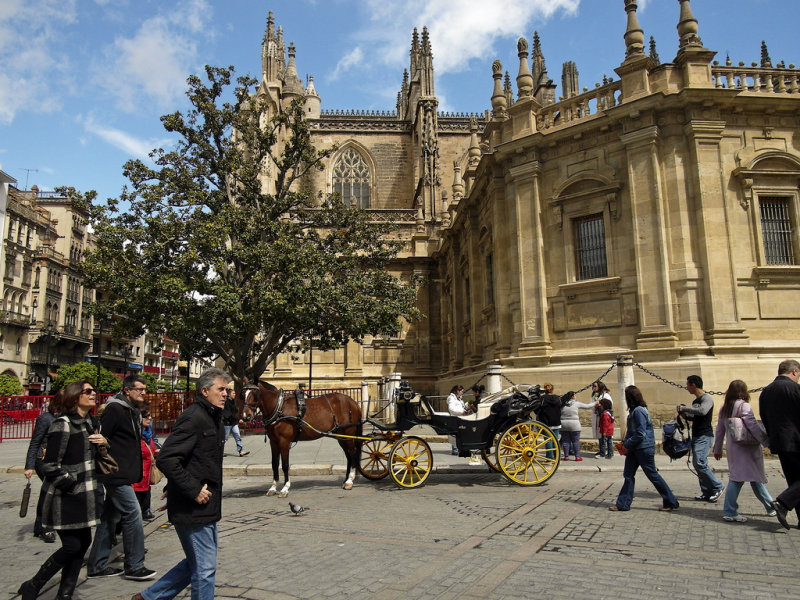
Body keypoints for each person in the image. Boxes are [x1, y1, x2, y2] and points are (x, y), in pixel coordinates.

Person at [132, 368, 230, 600]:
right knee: (204, 569)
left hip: (205, 504)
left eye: (227, 390)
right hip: (193, 505)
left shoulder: (214, 416)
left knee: (195, 564)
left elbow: (191, 460)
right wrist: (191, 489)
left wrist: (175, 487)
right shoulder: (193, 417)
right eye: (221, 389)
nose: (226, 394)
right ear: (205, 391)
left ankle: (147, 597)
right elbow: (166, 458)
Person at [17, 381, 107, 600]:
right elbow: (49, 465)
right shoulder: (62, 424)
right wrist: (71, 484)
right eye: (88, 391)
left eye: (93, 391)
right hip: (66, 496)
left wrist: (104, 442)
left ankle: (65, 593)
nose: (94, 394)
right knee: (71, 545)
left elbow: (94, 457)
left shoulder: (92, 423)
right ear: (75, 397)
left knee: (83, 543)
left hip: (87, 494)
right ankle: (34, 584)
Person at [87, 375, 156, 581]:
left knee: (110, 517)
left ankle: (97, 565)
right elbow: (102, 438)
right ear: (127, 390)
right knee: (133, 513)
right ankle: (134, 565)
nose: (144, 392)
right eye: (140, 389)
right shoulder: (115, 409)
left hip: (125, 471)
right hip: (115, 473)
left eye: (145, 389)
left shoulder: (131, 409)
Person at [712, 380, 774, 523]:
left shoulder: (725, 408)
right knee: (739, 479)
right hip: (747, 448)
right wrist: (766, 442)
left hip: (734, 448)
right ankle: (730, 510)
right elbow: (753, 426)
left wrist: (717, 448)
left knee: (753, 477)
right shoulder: (744, 406)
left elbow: (719, 430)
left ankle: (771, 506)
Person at [610, 385, 679, 512]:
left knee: (652, 475)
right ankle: (623, 503)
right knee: (628, 475)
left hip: (643, 448)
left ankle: (670, 501)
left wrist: (628, 443)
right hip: (634, 449)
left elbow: (641, 433)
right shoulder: (635, 411)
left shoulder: (639, 411)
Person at [758, 359, 800, 529]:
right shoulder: (794, 388)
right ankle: (782, 503)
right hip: (796, 440)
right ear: (794, 372)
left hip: (779, 441)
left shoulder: (766, 391)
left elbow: (764, 418)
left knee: (794, 480)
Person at [24, 390, 65, 544]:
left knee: (48, 492)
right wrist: (29, 466)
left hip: (56, 461)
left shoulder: (64, 418)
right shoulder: (45, 418)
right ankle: (45, 527)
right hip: (43, 461)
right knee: (51, 492)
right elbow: (35, 442)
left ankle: (39, 525)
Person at [679, 374, 724, 503]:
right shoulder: (695, 402)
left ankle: (717, 486)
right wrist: (685, 415)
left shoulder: (707, 399)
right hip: (697, 435)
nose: (686, 387)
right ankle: (706, 491)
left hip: (705, 435)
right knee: (697, 464)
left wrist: (685, 408)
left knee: (700, 462)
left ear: (693, 385)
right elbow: (697, 417)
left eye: (688, 385)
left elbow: (703, 411)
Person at [134, 411, 158, 521]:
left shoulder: (149, 432)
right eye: (146, 416)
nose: (150, 418)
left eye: (150, 416)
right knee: (137, 491)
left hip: (148, 469)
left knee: (146, 490)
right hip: (138, 469)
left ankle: (146, 509)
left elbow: (154, 444)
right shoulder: (135, 434)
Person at [559, 391, 593, 461]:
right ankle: (577, 457)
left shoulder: (562, 404)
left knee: (565, 441)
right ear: (572, 397)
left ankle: (566, 456)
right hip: (574, 425)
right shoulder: (576, 403)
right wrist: (596, 403)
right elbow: (587, 406)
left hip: (563, 424)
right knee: (575, 441)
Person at [536, 383, 562, 460]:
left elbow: (538, 410)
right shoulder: (557, 398)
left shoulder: (542, 399)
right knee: (555, 440)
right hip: (556, 422)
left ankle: (550, 457)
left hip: (546, 422)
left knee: (548, 440)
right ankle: (556, 456)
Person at [222, 392, 249, 457]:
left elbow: (234, 412)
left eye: (235, 393)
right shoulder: (227, 402)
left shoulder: (233, 401)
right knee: (225, 438)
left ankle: (240, 451)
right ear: (229, 394)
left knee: (237, 436)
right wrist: (238, 419)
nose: (235, 394)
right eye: (233, 393)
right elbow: (228, 414)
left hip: (234, 423)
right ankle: (219, 451)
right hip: (227, 423)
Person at [446, 385, 470, 455]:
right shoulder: (451, 398)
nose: (462, 393)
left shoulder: (459, 399)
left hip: (460, 418)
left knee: (460, 433)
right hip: (455, 418)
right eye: (461, 391)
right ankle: (455, 448)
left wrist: (467, 405)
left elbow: (461, 406)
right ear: (458, 391)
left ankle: (460, 447)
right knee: (455, 434)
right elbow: (451, 409)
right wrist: (462, 412)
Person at [591, 381, 613, 458]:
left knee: (604, 438)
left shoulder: (606, 395)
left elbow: (609, 404)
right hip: (597, 416)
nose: (593, 387)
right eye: (593, 386)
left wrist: (599, 405)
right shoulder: (595, 395)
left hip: (603, 418)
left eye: (595, 386)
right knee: (600, 436)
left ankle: (604, 453)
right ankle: (602, 450)